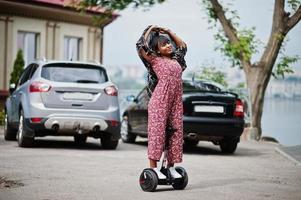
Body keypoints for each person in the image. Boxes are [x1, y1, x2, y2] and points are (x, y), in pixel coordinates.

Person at [136, 25, 187, 179]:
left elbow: (183, 46)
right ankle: (154, 168)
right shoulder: (154, 60)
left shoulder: (176, 59)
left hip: (176, 101)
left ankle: (170, 167)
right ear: (157, 50)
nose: (168, 45)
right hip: (160, 101)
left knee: (175, 133)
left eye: (168, 43)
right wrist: (151, 28)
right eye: (164, 44)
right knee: (157, 134)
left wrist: (170, 32)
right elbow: (140, 45)